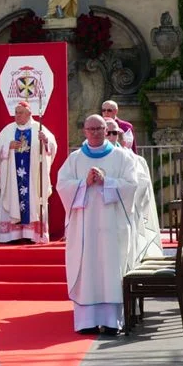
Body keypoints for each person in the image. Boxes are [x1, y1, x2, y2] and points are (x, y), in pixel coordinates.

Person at [56, 114, 138, 334]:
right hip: (84, 229)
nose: (94, 132)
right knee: (88, 269)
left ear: (106, 130)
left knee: (110, 269)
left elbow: (132, 185)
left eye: (99, 128)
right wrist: (84, 183)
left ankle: (112, 322)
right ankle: (86, 322)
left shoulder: (122, 157)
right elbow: (62, 185)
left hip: (112, 226)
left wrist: (107, 181)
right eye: (90, 129)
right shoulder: (74, 159)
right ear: (84, 131)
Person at [0, 101, 57, 243]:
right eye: (16, 112)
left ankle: (32, 234)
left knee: (33, 198)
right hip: (13, 176)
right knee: (14, 196)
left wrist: (45, 142)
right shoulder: (8, 130)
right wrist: (8, 147)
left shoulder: (38, 128)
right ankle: (13, 235)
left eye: (21, 113)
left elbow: (51, 147)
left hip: (32, 175)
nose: (17, 115)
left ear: (29, 114)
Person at [105, 119, 162, 263]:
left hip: (126, 209)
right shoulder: (87, 155)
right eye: (107, 133)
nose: (111, 137)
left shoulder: (132, 158)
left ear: (119, 135)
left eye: (114, 133)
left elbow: (142, 183)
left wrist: (118, 188)